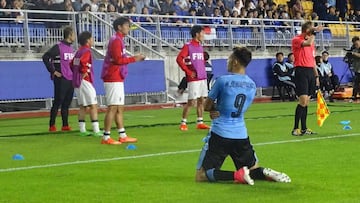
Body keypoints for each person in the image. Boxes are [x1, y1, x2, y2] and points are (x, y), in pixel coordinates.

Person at [195, 47, 291, 184]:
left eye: (229, 59)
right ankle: (263, 172)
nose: (227, 62)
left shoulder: (222, 81)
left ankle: (236, 175)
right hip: (241, 134)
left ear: (234, 61)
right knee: (253, 169)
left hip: (220, 133)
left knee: (202, 175)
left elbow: (207, 106)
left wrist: (214, 109)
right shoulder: (252, 85)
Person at [101, 17, 146, 145]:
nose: (128, 28)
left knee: (119, 107)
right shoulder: (116, 40)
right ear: (119, 27)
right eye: (126, 25)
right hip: (112, 76)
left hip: (117, 76)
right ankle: (106, 137)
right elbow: (117, 60)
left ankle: (122, 134)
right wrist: (134, 59)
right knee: (113, 107)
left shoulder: (119, 40)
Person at [176, 25, 210, 131]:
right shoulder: (188, 46)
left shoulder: (200, 46)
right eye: (202, 33)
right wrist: (188, 72)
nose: (204, 35)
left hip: (202, 77)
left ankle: (200, 122)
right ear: (197, 34)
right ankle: (183, 122)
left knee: (201, 100)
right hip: (194, 79)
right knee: (191, 101)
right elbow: (179, 59)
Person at [42, 26, 75, 132]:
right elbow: (46, 57)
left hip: (70, 78)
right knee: (58, 101)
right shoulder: (58, 47)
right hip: (61, 78)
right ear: (69, 35)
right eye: (73, 34)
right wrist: (53, 71)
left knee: (67, 103)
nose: (75, 36)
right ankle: (52, 125)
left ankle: (65, 125)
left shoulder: (71, 48)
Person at [291, 21, 321, 136]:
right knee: (302, 101)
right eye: (311, 29)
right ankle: (295, 128)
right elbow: (307, 43)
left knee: (307, 102)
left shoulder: (311, 42)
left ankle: (304, 128)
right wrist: (315, 33)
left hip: (310, 71)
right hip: (301, 70)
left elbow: (312, 60)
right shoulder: (297, 39)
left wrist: (316, 75)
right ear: (306, 30)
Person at [70, 31, 102, 137]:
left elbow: (72, 64)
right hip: (85, 80)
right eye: (92, 39)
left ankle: (82, 130)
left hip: (77, 80)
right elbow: (84, 64)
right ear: (88, 40)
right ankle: (96, 130)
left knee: (82, 105)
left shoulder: (78, 51)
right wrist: (83, 74)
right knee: (93, 105)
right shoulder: (87, 51)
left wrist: (76, 75)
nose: (93, 40)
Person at [350, 36, 360, 102]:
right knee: (356, 83)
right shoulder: (353, 48)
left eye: (356, 44)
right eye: (354, 44)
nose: (356, 45)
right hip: (357, 69)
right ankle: (354, 96)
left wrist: (353, 53)